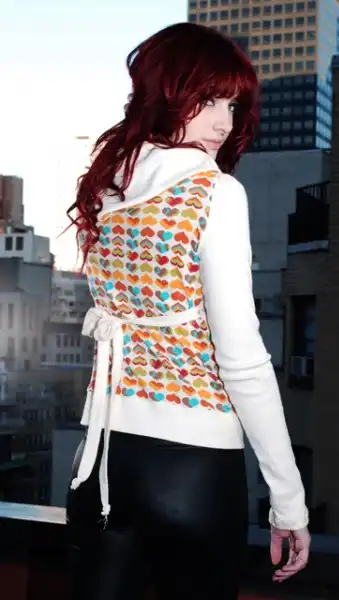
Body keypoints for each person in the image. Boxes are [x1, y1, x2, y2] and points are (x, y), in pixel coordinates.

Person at [66, 21, 310, 600]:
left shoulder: (105, 188)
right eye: (209, 101)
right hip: (192, 468)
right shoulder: (214, 191)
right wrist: (289, 501)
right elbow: (242, 359)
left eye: (232, 106)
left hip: (101, 458)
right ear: (168, 92)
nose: (224, 123)